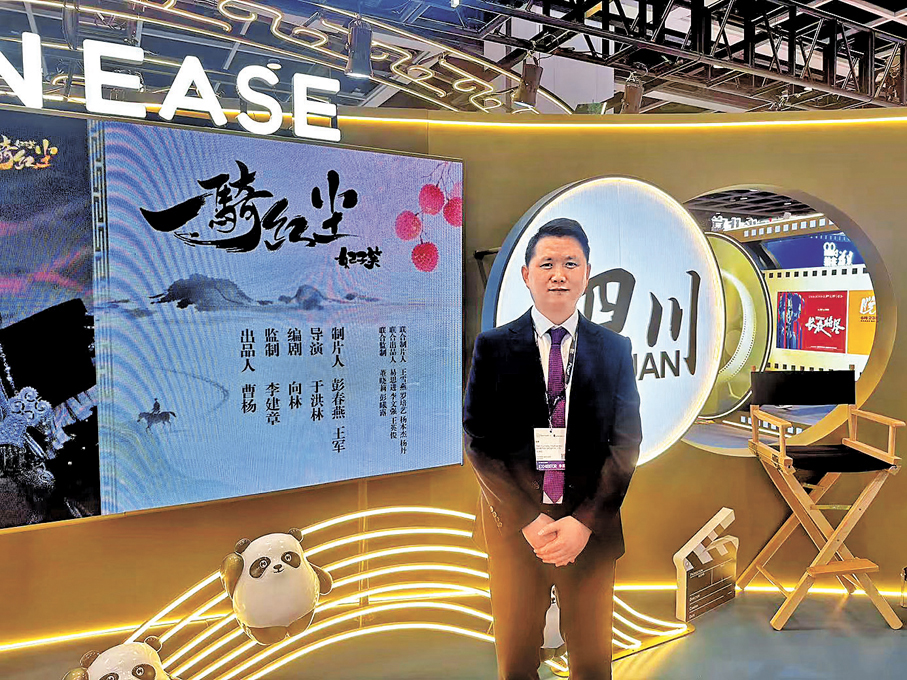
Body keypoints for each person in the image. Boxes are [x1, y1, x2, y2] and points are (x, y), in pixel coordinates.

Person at [464, 218, 642, 680]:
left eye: (570, 264)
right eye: (546, 264)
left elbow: (626, 444)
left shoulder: (614, 350)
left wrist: (583, 523)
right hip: (515, 532)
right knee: (516, 664)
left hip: (590, 533)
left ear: (587, 274)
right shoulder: (493, 347)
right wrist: (528, 519)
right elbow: (479, 442)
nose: (558, 274)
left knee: (593, 664)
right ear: (527, 275)